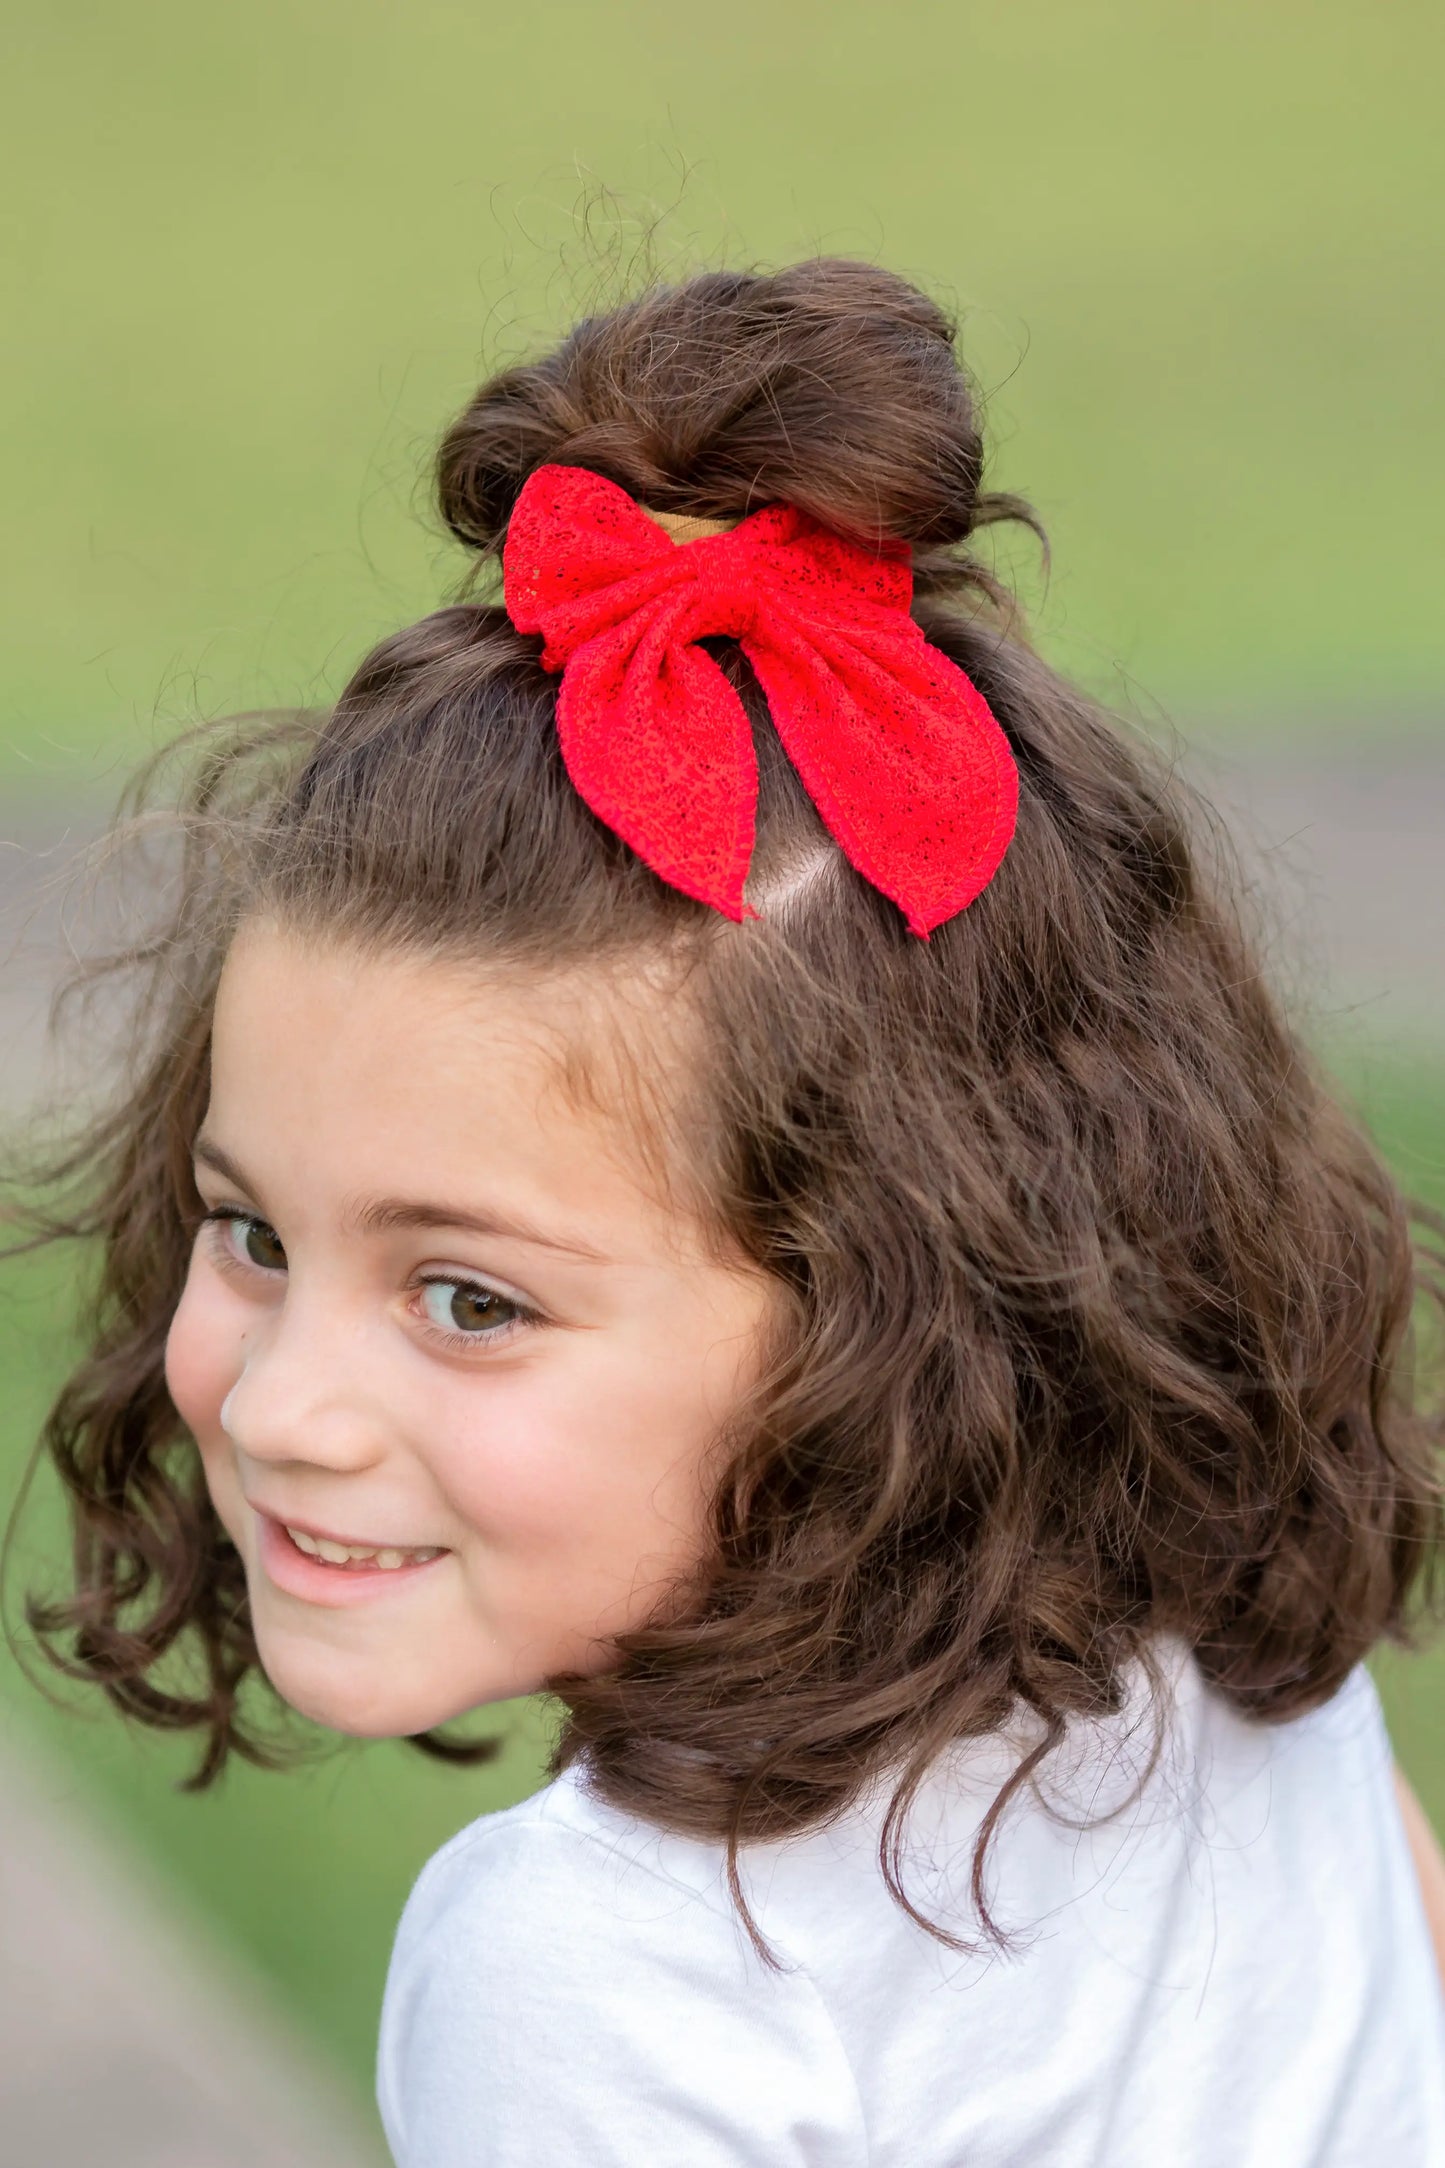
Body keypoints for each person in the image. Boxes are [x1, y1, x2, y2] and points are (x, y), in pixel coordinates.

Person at [17, 258, 1445, 2163]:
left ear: (903, 1321)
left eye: (469, 1299)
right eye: (254, 1235)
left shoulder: (595, 1973)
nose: (277, 1406)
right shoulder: (1223, 1644)